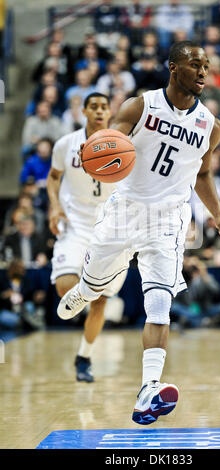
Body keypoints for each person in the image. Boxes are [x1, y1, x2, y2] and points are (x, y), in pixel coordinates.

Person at [57, 41, 220, 424]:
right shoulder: (140, 106)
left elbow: (202, 173)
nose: (203, 71)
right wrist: (97, 158)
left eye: (206, 65)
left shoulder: (211, 125)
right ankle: (84, 290)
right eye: (194, 64)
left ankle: (148, 389)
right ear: (174, 68)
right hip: (125, 210)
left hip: (168, 222)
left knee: (160, 304)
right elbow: (108, 145)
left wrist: (218, 215)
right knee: (96, 285)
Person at [46, 92, 127, 383]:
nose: (99, 111)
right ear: (84, 111)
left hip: (111, 228)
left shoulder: (122, 144)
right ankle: (86, 290)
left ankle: (84, 357)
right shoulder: (65, 144)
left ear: (110, 113)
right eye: (93, 107)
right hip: (76, 224)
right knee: (64, 287)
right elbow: (53, 177)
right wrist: (54, 207)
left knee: (100, 303)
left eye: (104, 107)